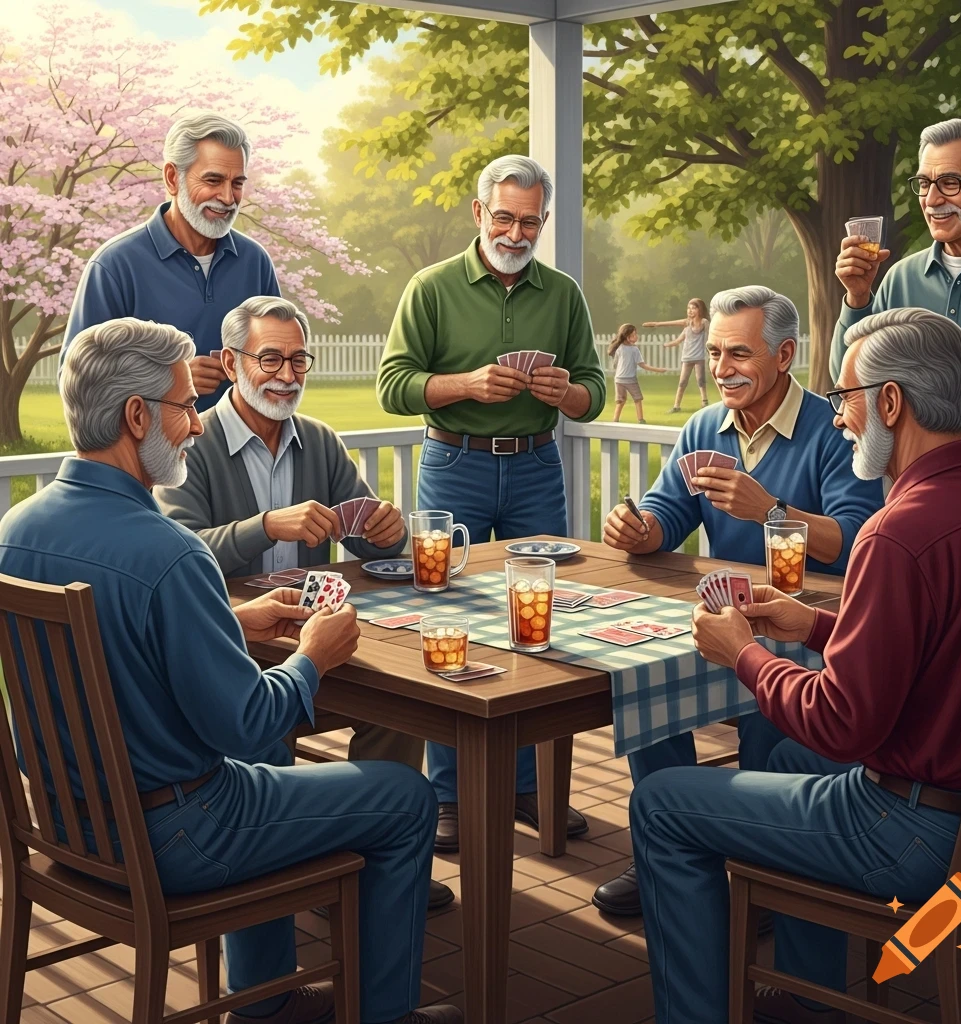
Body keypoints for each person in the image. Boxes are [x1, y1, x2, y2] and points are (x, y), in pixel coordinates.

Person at [0, 317, 461, 1024]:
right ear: (136, 416)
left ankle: (266, 1002)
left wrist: (231, 622)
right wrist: (313, 656)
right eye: (186, 406)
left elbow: (113, 639)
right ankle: (382, 1015)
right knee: (405, 796)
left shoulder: (16, 531)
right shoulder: (170, 552)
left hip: (67, 823)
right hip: (179, 834)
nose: (195, 424)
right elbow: (246, 723)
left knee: (268, 772)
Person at [632, 307, 961, 1024]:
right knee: (786, 756)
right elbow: (949, 638)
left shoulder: (895, 533)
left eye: (845, 397)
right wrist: (812, 623)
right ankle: (808, 998)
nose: (837, 416)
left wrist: (744, 654)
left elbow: (842, 723)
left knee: (661, 803)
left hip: (914, 835)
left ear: (891, 402)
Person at [153, 296, 455, 913]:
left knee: (399, 706)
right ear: (231, 364)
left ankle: (380, 867)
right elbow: (183, 549)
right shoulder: (192, 442)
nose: (286, 375)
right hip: (235, 651)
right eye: (270, 359)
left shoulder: (318, 440)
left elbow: (369, 535)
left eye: (298, 361)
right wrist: (267, 525)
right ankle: (294, 866)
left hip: (311, 644)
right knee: (262, 736)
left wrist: (386, 528)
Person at [593, 285, 883, 918]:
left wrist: (771, 511)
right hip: (729, 619)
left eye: (739, 354)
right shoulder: (704, 427)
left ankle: (766, 871)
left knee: (769, 720)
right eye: (716, 353)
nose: (722, 369)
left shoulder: (833, 428)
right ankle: (662, 855)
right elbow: (668, 512)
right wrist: (640, 529)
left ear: (785, 355)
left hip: (808, 623)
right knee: (646, 685)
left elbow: (858, 535)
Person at [377, 154, 605, 852]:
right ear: (479, 213)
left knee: (542, 621)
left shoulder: (562, 293)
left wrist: (566, 394)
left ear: (543, 221)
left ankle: (530, 787)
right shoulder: (431, 287)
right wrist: (467, 385)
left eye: (530, 222)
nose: (515, 232)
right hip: (454, 466)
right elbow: (393, 386)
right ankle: (450, 793)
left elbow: (593, 392)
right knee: (451, 616)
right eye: (504, 217)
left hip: (537, 466)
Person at [829, 118, 961, 474]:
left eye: (950, 183)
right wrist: (857, 298)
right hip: (910, 481)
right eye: (923, 184)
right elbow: (850, 390)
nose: (932, 200)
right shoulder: (900, 278)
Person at [60, 112, 281, 413]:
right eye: (213, 180)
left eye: (237, 183)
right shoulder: (114, 266)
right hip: (150, 444)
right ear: (172, 178)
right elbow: (75, 381)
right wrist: (170, 380)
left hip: (241, 442)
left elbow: (283, 359)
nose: (228, 198)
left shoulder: (255, 262)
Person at [645, 298, 710, 411]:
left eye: (693, 308)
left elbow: (711, 335)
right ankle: (676, 406)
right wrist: (656, 325)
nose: (690, 310)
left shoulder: (704, 322)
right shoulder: (687, 324)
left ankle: (704, 402)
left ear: (700, 309)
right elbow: (673, 329)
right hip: (687, 358)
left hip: (699, 357)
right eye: (688, 308)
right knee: (682, 382)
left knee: (700, 380)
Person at [608, 323, 670, 423]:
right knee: (637, 399)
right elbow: (642, 365)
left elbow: (615, 364)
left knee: (621, 401)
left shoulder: (620, 348)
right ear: (627, 337)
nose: (636, 336)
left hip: (619, 379)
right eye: (633, 335)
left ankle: (615, 420)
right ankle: (640, 419)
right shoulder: (634, 349)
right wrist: (659, 370)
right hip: (630, 379)